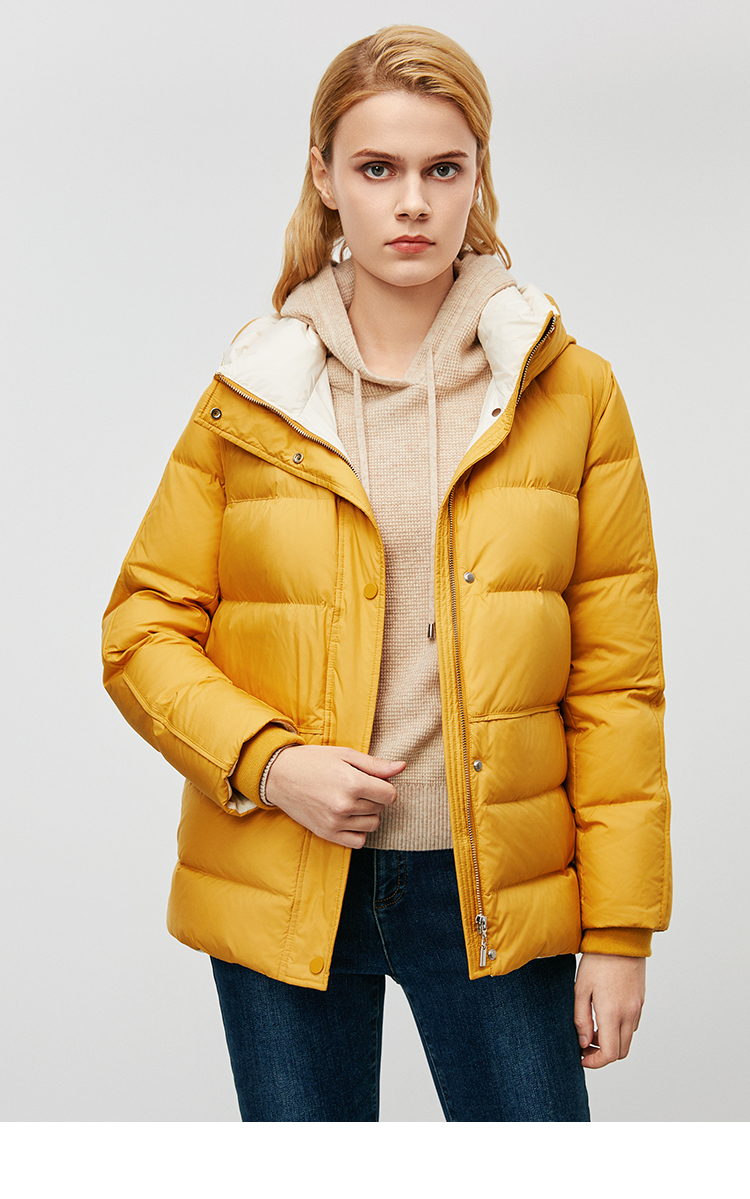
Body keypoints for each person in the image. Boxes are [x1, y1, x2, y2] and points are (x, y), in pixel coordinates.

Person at [102, 25, 671, 1122]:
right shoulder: (254, 393)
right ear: (324, 178)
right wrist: (272, 764)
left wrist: (619, 928)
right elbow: (140, 629)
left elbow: (616, 681)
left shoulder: (571, 392)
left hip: (494, 882)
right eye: (377, 168)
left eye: (441, 169)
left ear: (477, 178)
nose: (412, 202)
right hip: (285, 867)